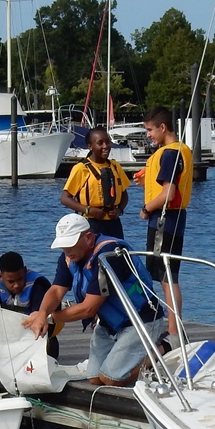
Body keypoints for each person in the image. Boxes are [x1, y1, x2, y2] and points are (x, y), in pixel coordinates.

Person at [24, 213, 166, 387]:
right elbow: (56, 290)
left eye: (70, 245)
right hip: (110, 323)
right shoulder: (69, 257)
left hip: (140, 319)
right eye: (63, 246)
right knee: (94, 378)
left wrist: (49, 318)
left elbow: (88, 309)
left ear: (88, 238)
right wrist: (42, 312)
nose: (66, 251)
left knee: (111, 378)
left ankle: (163, 349)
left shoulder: (110, 256)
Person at [137, 106, 192, 352]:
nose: (148, 135)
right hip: (174, 219)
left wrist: (147, 208)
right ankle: (173, 327)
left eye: (150, 130)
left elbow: (168, 193)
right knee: (165, 276)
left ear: (162, 127)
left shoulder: (170, 154)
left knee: (167, 277)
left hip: (164, 220)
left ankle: (173, 331)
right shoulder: (179, 152)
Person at [60, 127, 131, 237]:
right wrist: (89, 210)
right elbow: (65, 198)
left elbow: (124, 195)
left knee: (116, 252)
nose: (105, 146)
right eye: (100, 143)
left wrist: (119, 210)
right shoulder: (81, 168)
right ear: (90, 146)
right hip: (91, 223)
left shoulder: (115, 166)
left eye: (107, 142)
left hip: (114, 224)